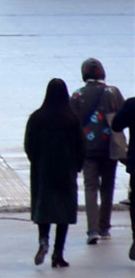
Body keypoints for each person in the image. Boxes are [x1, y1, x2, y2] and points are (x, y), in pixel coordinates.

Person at [26, 78, 84, 267]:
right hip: (65, 172)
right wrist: (77, 166)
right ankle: (58, 254)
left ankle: (43, 240)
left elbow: (29, 144)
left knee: (44, 208)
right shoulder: (72, 119)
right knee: (63, 214)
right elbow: (81, 146)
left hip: (43, 171)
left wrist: (36, 161)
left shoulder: (36, 118)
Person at [73, 57, 128, 248]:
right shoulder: (113, 92)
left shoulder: (77, 95)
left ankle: (92, 230)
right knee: (108, 186)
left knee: (90, 187)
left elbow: (72, 123)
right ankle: (104, 226)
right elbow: (123, 117)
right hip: (110, 147)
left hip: (87, 149)